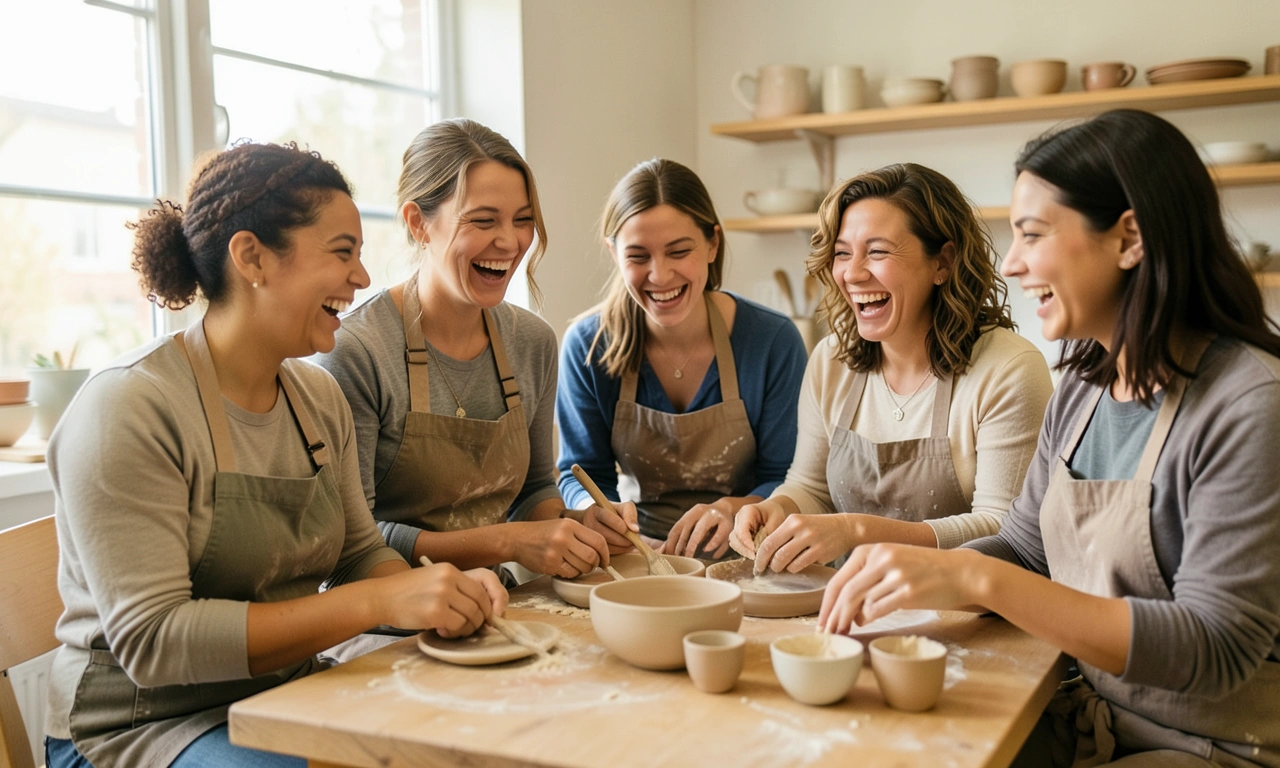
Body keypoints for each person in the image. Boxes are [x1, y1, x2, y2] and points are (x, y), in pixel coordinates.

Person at [819, 110, 1280, 767]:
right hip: (1091, 714)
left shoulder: (1255, 406)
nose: (1011, 263)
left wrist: (971, 574)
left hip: (1219, 745)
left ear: (1129, 238)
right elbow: (1026, 550)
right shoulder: (1085, 390)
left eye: (1032, 234)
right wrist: (917, 585)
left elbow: (1214, 649)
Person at [43, 142, 508, 768]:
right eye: (342, 253)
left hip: (282, 693)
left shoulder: (317, 397)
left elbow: (359, 556)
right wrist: (378, 603)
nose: (362, 278)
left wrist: (435, 592)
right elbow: (154, 642)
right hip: (138, 726)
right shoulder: (129, 406)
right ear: (252, 257)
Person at [315, 119, 623, 584]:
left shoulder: (533, 342)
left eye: (523, 220)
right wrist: (507, 542)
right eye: (483, 220)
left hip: (495, 599)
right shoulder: (357, 351)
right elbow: (352, 543)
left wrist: (575, 525)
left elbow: (534, 489)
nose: (510, 241)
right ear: (418, 223)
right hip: (387, 613)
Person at [730, 163, 1052, 572]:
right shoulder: (831, 361)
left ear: (943, 262)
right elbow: (810, 487)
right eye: (842, 253)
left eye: (877, 251)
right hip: (849, 598)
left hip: (967, 605)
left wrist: (857, 530)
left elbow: (1003, 531)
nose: (852, 273)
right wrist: (777, 509)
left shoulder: (1008, 370)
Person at [556, 158, 808, 559]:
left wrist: (732, 509)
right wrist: (598, 515)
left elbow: (788, 478)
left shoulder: (772, 342)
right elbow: (581, 474)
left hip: (751, 551)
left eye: (679, 251)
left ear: (712, 244)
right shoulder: (588, 346)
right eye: (638, 256)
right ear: (613, 253)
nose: (660, 275)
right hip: (639, 552)